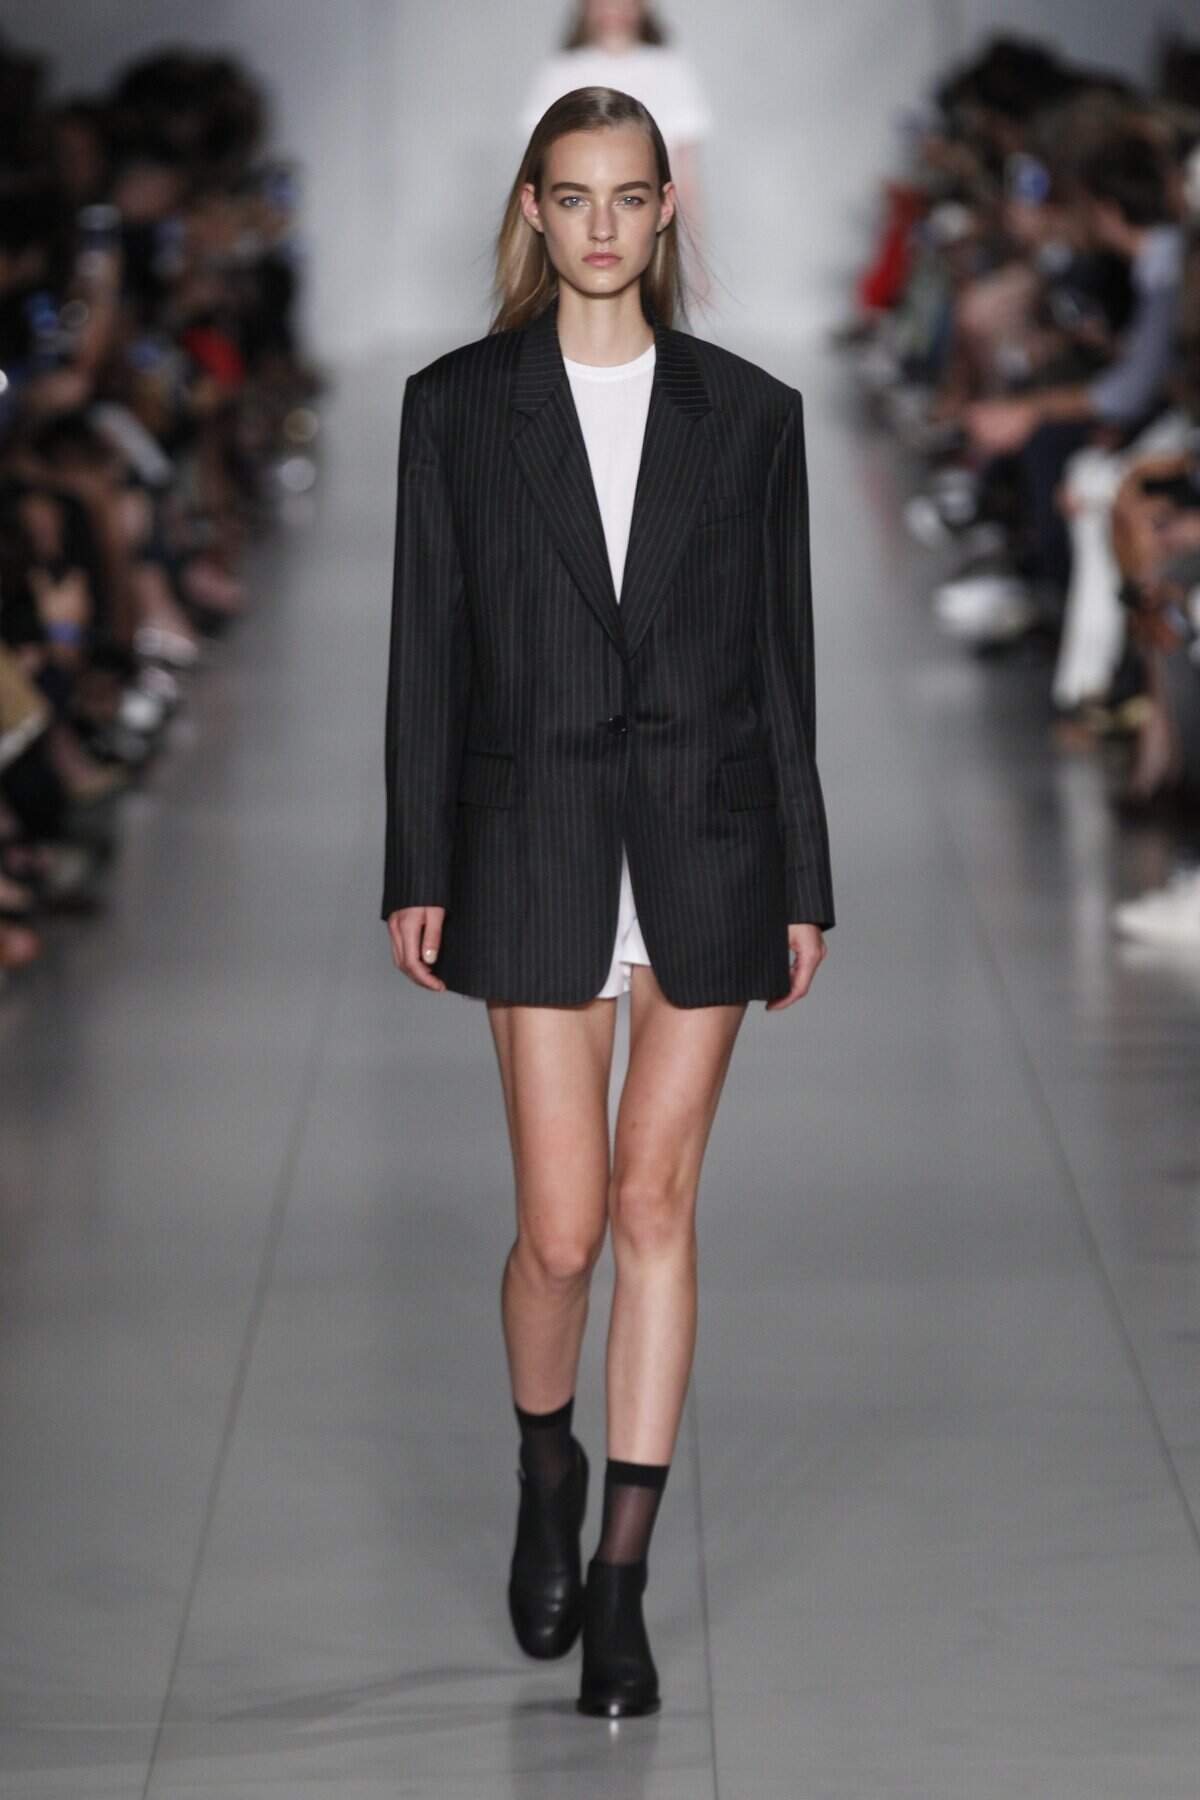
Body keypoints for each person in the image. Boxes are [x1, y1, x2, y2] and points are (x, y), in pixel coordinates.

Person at [381, 85, 835, 1719]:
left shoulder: (752, 414)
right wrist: (418, 864)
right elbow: (428, 648)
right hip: (535, 842)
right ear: (532, 207)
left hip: (709, 840)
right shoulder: (458, 407)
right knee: (562, 1233)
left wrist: (805, 875)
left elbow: (782, 660)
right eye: (570, 196)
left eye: (627, 196)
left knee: (655, 1210)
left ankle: (624, 1585)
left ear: (664, 210)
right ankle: (546, 1466)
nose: (599, 225)